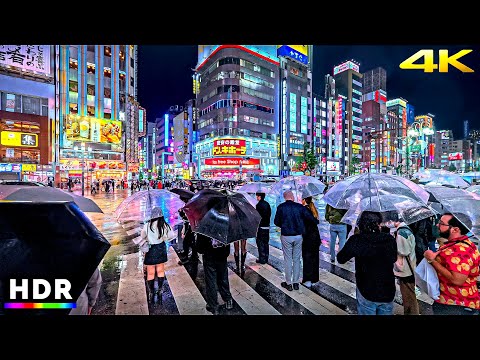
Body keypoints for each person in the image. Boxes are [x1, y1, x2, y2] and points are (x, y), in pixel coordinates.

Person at [337, 211, 397, 315]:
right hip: (387, 289)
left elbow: (341, 258)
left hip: (366, 289)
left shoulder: (357, 240)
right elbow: (393, 258)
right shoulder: (389, 239)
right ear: (378, 224)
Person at [423, 212, 480, 315]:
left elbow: (458, 280)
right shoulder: (456, 244)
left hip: (456, 305)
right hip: (451, 302)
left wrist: (432, 261)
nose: (437, 225)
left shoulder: (461, 250)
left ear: (455, 229)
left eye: (441, 223)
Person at [274, 190, 318, 291]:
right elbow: (311, 219)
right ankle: (296, 282)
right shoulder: (300, 207)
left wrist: (284, 225)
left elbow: (276, 222)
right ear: (292, 197)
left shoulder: (281, 207)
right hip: (298, 236)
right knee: (297, 259)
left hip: (286, 236)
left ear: (285, 197)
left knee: (288, 259)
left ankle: (288, 283)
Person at [140, 206, 176, 304]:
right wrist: (164, 239)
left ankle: (152, 292)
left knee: (150, 272)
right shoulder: (165, 225)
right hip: (161, 248)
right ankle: (160, 289)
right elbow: (171, 236)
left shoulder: (147, 225)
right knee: (160, 270)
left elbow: (143, 236)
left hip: (151, 249)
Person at [196, 233, 234, 314]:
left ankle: (213, 305)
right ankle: (228, 299)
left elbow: (199, 248)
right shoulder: (225, 224)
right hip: (222, 255)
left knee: (211, 281)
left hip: (209, 256)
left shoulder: (204, 225)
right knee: (223, 277)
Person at [391, 214, 420, 315]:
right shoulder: (405, 229)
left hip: (406, 269)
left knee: (408, 295)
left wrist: (393, 245)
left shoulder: (401, 232)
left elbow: (403, 251)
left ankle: (411, 313)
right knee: (408, 294)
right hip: (409, 265)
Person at [301, 196, 321, 288]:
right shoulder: (313, 209)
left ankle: (307, 279)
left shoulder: (304, 210)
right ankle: (314, 279)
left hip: (308, 237)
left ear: (304, 200)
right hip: (316, 238)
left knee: (307, 258)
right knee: (315, 258)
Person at [255, 192, 271, 264]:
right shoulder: (267, 204)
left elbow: (257, 217)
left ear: (259, 197)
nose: (256, 198)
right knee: (266, 243)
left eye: (257, 196)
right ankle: (266, 258)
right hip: (267, 226)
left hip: (261, 227)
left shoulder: (259, 205)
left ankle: (262, 259)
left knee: (260, 243)